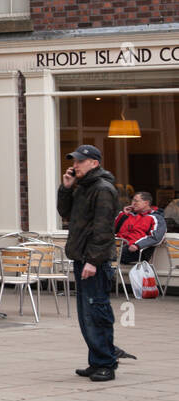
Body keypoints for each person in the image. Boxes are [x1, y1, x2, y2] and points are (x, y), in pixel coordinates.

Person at [58, 144, 125, 381]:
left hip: (93, 261)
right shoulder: (82, 187)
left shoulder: (103, 189)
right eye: (74, 161)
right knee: (86, 314)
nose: (74, 165)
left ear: (94, 163)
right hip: (81, 258)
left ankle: (106, 363)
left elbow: (104, 229)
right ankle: (97, 360)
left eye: (79, 161)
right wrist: (66, 188)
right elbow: (64, 213)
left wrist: (94, 261)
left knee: (96, 312)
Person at [114, 191, 166, 269]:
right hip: (119, 247)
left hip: (137, 250)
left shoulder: (156, 217)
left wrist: (137, 245)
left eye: (136, 201)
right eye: (132, 200)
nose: (133, 203)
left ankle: (107, 279)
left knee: (103, 255)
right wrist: (123, 214)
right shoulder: (129, 215)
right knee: (98, 253)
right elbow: (113, 230)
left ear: (146, 203)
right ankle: (107, 279)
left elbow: (156, 237)